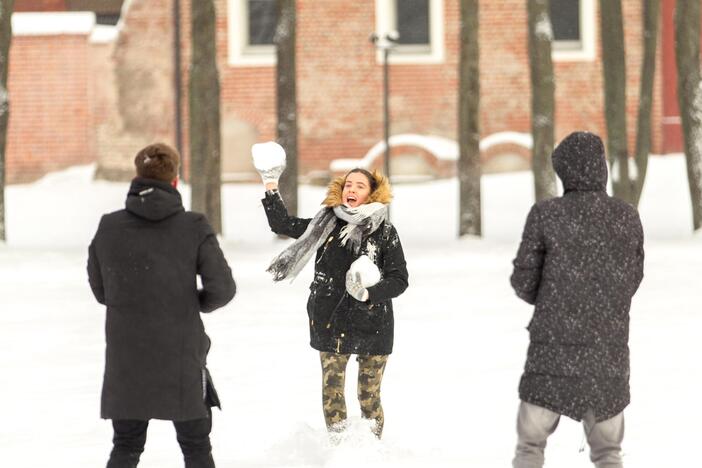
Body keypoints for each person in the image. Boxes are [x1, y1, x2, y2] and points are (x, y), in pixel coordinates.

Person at [87, 143, 236, 468]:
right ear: (175, 181)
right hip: (181, 353)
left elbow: (102, 291)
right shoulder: (193, 226)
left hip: (127, 355)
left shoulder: (109, 226)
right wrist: (188, 303)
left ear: (137, 176)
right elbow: (222, 289)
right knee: (196, 447)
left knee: (125, 446)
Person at [509, 131, 645, 468]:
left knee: (530, 445)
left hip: (552, 348)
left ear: (563, 170)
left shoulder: (545, 214)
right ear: (602, 168)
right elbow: (632, 277)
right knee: (608, 452)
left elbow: (523, 279)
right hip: (607, 346)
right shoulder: (626, 216)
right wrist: (603, 302)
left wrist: (557, 300)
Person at [256, 150, 408, 439]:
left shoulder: (385, 232)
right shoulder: (325, 224)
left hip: (373, 322)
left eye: (359, 186)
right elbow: (282, 225)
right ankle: (338, 450)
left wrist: (368, 292)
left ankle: (370, 453)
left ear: (373, 194)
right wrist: (270, 184)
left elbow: (400, 280)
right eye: (348, 184)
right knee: (332, 393)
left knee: (369, 397)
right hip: (330, 318)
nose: (352, 189)